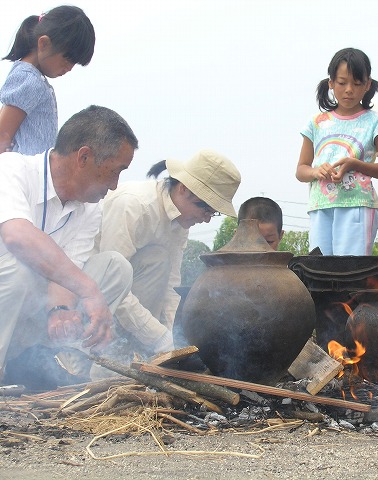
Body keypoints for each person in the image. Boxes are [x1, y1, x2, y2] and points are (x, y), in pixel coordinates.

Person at [0, 105, 138, 388]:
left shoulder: (90, 208)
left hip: (25, 321)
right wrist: (89, 290)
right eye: (115, 171)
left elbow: (68, 269)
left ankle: (39, 364)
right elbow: (16, 236)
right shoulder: (10, 169)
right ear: (83, 157)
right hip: (7, 297)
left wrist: (60, 309)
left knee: (115, 267)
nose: (115, 185)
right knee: (18, 267)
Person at [97, 150, 241, 357]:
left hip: (122, 302)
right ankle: (114, 352)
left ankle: (135, 350)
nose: (207, 219)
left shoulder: (180, 222)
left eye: (213, 213)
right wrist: (158, 337)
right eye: (205, 209)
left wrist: (176, 339)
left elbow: (171, 286)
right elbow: (111, 283)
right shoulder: (134, 205)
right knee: (156, 259)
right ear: (183, 188)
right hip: (90, 297)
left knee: (160, 261)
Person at [296, 48, 378, 256]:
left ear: (367, 85)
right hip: (320, 206)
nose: (349, 90)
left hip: (358, 206)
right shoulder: (316, 122)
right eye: (342, 82)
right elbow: (301, 170)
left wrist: (355, 164)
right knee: (319, 268)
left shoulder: (376, 121)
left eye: (356, 83)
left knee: (352, 269)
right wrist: (316, 171)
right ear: (331, 83)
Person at [0, 6, 95, 154]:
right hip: (22, 168)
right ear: (43, 43)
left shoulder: (34, 79)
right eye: (67, 59)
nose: (69, 68)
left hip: (32, 167)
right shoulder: (28, 79)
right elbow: (2, 135)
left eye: (74, 63)